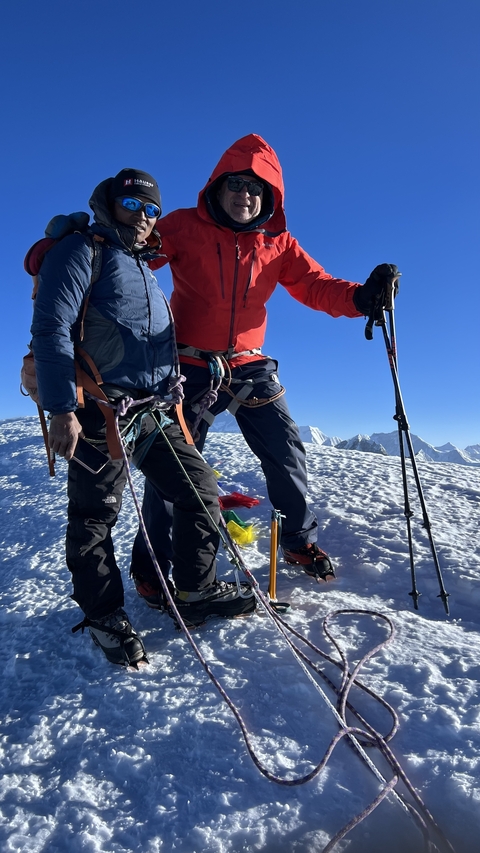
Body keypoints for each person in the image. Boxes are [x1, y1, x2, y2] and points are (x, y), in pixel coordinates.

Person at [127, 135, 400, 603]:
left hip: (249, 364)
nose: (245, 195)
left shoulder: (278, 243)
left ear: (270, 198)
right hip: (187, 364)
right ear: (218, 186)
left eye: (257, 189)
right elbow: (129, 258)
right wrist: (72, 251)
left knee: (286, 450)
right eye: (236, 184)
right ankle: (155, 564)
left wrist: (361, 297)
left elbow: (316, 285)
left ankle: (297, 541)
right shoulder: (180, 227)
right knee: (172, 467)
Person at [30, 167, 255, 667]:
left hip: (153, 411)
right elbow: (51, 330)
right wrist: (62, 409)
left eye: (152, 209)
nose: (144, 216)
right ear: (109, 205)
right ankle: (104, 613)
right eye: (133, 205)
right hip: (98, 412)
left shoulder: (143, 268)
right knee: (94, 517)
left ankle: (196, 592)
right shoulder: (80, 251)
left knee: (199, 494)